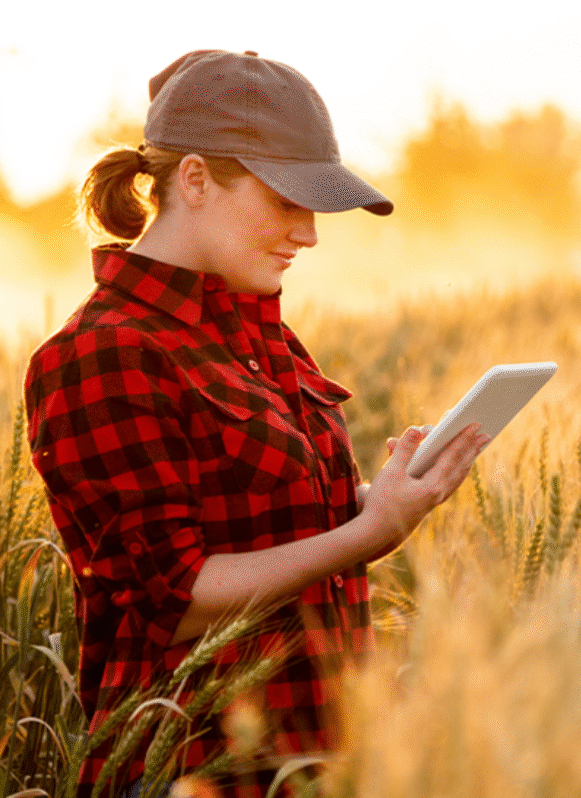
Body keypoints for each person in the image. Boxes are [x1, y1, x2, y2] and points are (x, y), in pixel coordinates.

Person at [24, 49, 487, 798]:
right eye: (286, 200)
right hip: (196, 771)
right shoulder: (101, 354)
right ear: (197, 179)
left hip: (313, 763)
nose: (307, 233)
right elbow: (171, 603)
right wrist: (366, 537)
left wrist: (380, 499)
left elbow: (270, 530)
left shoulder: (256, 333)